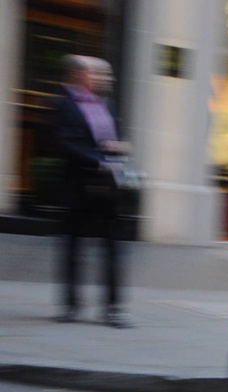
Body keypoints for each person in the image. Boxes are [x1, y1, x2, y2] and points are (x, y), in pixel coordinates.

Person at [53, 55, 130, 328]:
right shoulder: (65, 105)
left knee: (112, 250)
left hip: (107, 189)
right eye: (96, 74)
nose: (103, 79)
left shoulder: (107, 104)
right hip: (78, 186)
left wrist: (118, 147)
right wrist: (98, 159)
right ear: (80, 76)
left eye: (106, 75)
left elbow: (111, 141)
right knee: (74, 249)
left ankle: (113, 309)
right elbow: (66, 144)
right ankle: (71, 306)